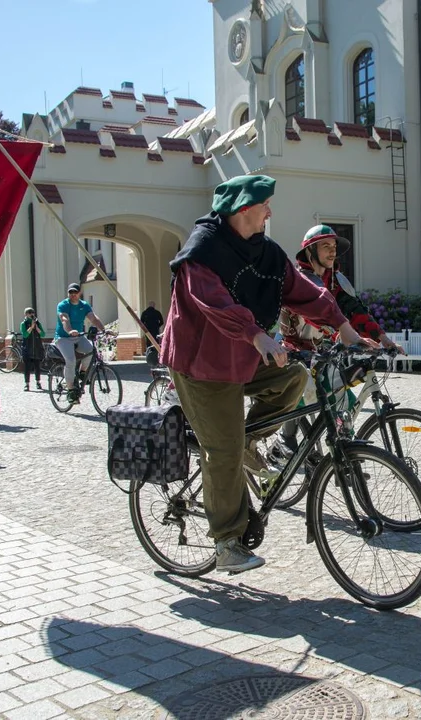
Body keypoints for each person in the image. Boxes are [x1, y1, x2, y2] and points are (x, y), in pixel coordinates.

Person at [160, 174, 371, 574]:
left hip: (243, 353)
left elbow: (304, 290)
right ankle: (226, 542)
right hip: (201, 364)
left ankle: (246, 441)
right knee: (222, 452)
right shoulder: (202, 251)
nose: (270, 211)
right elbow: (213, 303)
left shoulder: (266, 252)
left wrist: (344, 328)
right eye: (265, 205)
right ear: (243, 209)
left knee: (292, 377)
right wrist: (256, 335)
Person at [272, 225, 405, 459]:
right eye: (326, 246)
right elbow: (314, 317)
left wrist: (383, 339)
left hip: (323, 350)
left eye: (334, 247)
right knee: (300, 391)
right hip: (293, 348)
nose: (332, 252)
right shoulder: (300, 279)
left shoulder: (336, 281)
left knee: (344, 398)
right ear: (310, 251)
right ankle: (286, 439)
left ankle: (346, 457)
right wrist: (345, 336)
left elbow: (357, 312)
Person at [54, 283, 105, 404]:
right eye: (70, 292)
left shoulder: (84, 305)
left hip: (79, 336)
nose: (73, 295)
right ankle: (71, 390)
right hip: (63, 337)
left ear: (79, 293)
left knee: (91, 351)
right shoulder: (63, 305)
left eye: (75, 292)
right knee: (70, 360)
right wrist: (70, 330)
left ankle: (82, 372)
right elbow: (64, 319)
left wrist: (104, 329)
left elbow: (93, 318)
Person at [20, 307, 46, 391]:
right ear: (26, 314)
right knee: (27, 367)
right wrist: (31, 327)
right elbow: (25, 335)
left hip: (37, 348)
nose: (31, 314)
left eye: (32, 312)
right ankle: (27, 384)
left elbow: (43, 334)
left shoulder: (37, 323)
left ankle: (38, 382)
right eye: (29, 313)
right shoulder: (23, 323)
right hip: (27, 348)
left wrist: (37, 328)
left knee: (37, 367)